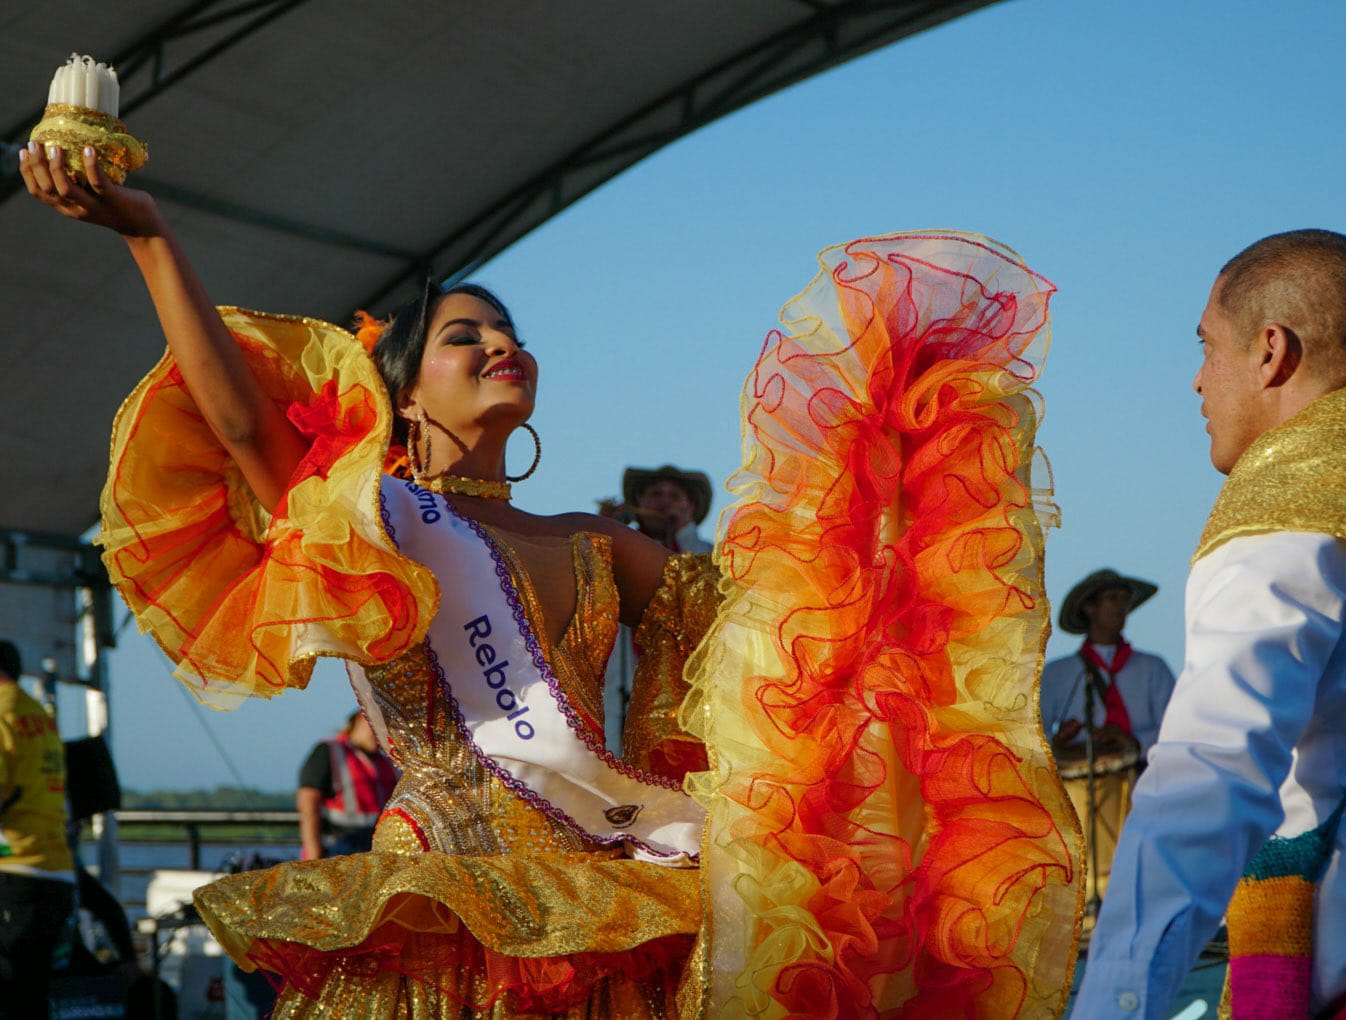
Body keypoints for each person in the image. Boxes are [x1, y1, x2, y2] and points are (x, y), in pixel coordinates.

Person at [21, 141, 1083, 1016]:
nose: (499, 345)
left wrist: (882, 467)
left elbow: (781, 626)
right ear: (399, 400)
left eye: (509, 333)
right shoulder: (375, 523)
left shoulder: (596, 539)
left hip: (604, 907)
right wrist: (151, 237)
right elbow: (243, 421)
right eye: (462, 335)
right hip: (440, 912)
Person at [1073, 229, 1346, 1018]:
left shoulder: (1285, 504)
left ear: (1271, 351)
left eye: (1207, 346)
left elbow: (1208, 777)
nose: (1195, 381)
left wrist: (1111, 1004)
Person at [1040, 569, 1175, 909]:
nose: (1121, 608)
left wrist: (1131, 741)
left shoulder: (1152, 669)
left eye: (1125, 600)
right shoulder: (1060, 674)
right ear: (1090, 608)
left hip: (1146, 784)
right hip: (1077, 790)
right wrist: (1060, 740)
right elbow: (1035, 731)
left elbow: (1177, 731)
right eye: (1113, 599)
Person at [599, 467, 714, 753]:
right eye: (655, 495)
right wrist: (601, 533)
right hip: (625, 681)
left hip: (688, 682)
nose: (665, 501)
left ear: (691, 507)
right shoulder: (622, 549)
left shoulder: (709, 554)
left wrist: (682, 533)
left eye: (675, 496)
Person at [0, 639, 75, 1019]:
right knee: (32, 996)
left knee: (11, 994)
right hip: (55, 870)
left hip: (16, 868)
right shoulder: (38, 716)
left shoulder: (1, 714)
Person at [296, 712, 399, 859]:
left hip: (376, 849)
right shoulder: (329, 751)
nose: (380, 733)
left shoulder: (388, 762)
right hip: (338, 847)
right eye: (375, 726)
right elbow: (308, 805)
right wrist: (313, 855)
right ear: (359, 719)